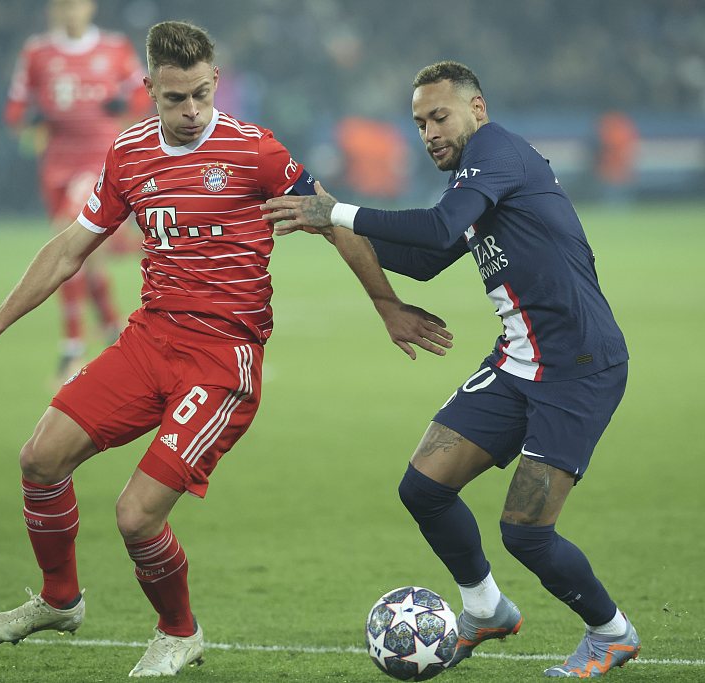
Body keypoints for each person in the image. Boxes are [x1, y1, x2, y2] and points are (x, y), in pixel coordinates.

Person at [0, 20, 452, 678]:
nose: (192, 110)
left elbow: (332, 221)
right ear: (148, 88)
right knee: (39, 457)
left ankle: (180, 631)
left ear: (215, 82)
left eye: (202, 93)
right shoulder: (130, 154)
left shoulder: (254, 150)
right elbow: (69, 247)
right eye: (175, 98)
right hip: (151, 338)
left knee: (135, 515)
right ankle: (60, 599)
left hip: (221, 357)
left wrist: (386, 304)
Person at [264, 61, 640, 678]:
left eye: (439, 116)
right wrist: (330, 227)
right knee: (424, 488)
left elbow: (438, 229)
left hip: (577, 365)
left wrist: (335, 212)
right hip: (521, 360)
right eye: (419, 123)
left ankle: (611, 632)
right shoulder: (477, 177)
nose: (429, 132)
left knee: (525, 534)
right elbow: (428, 258)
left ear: (478, 108)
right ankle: (485, 609)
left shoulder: (497, 153)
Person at [5, 0, 151, 381]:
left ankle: (71, 349)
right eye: (64, 5)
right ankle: (115, 332)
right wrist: (30, 117)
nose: (71, 11)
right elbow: (15, 109)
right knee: (88, 257)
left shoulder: (114, 47)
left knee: (66, 241)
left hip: (100, 161)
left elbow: (142, 93)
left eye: (77, 4)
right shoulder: (37, 52)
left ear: (90, 7)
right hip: (55, 166)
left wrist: (126, 104)